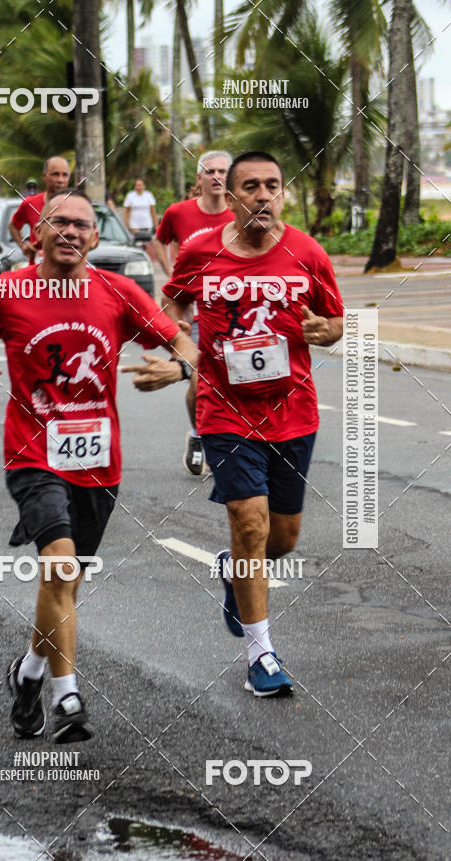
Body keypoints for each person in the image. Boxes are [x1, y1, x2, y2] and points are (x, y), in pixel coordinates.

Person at [0, 189, 196, 742]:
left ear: (95, 237)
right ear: (38, 233)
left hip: (98, 463)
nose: (70, 232)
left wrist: (181, 371)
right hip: (33, 453)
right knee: (58, 566)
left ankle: (29, 673)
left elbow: (182, 339)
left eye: (82, 225)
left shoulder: (118, 292)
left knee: (66, 586)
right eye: (59, 222)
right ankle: (68, 697)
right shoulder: (8, 291)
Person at [160, 151, 344, 697]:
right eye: (250, 186)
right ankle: (261, 656)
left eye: (272, 186)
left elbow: (336, 319)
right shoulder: (201, 250)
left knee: (281, 540)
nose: (263, 195)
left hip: (293, 412)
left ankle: (232, 570)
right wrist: (188, 350)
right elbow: (170, 305)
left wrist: (324, 330)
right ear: (232, 196)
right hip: (224, 410)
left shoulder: (307, 252)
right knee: (250, 523)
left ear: (282, 193)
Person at [154, 150, 234, 476]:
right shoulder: (179, 213)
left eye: (223, 172)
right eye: (210, 171)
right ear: (199, 178)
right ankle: (199, 434)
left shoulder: (239, 216)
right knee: (200, 382)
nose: (217, 177)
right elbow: (159, 241)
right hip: (194, 312)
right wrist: (171, 271)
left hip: (232, 313)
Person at [9, 157, 70, 262]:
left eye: (65, 175)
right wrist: (23, 245)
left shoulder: (78, 206)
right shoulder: (30, 204)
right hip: (37, 271)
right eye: (55, 174)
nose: (60, 180)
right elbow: (13, 226)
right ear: (44, 176)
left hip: (68, 272)